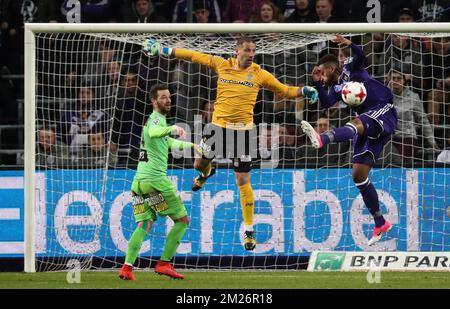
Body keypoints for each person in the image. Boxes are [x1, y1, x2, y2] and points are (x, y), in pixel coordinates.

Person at [143, 36, 318, 251]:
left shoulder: (259, 74)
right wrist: (165, 50)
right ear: (237, 50)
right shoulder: (222, 65)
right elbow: (193, 55)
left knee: (242, 180)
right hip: (217, 129)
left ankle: (249, 230)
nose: (251, 53)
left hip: (243, 134)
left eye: (253, 50)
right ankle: (207, 173)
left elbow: (284, 90)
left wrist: (303, 90)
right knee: (198, 165)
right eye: (247, 49)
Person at [300, 35, 397, 246]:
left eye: (322, 73)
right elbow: (325, 103)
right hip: (368, 120)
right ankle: (380, 222)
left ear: (332, 69)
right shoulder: (335, 88)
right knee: (358, 175)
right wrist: (316, 83)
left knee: (356, 123)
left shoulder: (350, 68)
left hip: (382, 110)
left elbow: (363, 55)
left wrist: (350, 44)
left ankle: (323, 138)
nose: (321, 76)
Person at [119, 84, 199, 281]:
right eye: (163, 97)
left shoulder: (159, 122)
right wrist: (172, 128)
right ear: (154, 102)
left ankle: (127, 268)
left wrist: (193, 146)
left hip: (139, 184)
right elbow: (155, 132)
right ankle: (164, 263)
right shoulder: (156, 120)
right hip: (155, 182)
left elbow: (170, 143)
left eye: (169, 97)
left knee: (144, 223)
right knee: (182, 221)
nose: (168, 100)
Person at [388, 70, 440, 161]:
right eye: (393, 78)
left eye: (399, 78)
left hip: (407, 137)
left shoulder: (413, 97)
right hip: (388, 137)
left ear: (404, 81)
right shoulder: (383, 96)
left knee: (399, 162)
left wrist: (432, 142)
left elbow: (422, 120)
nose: (395, 80)